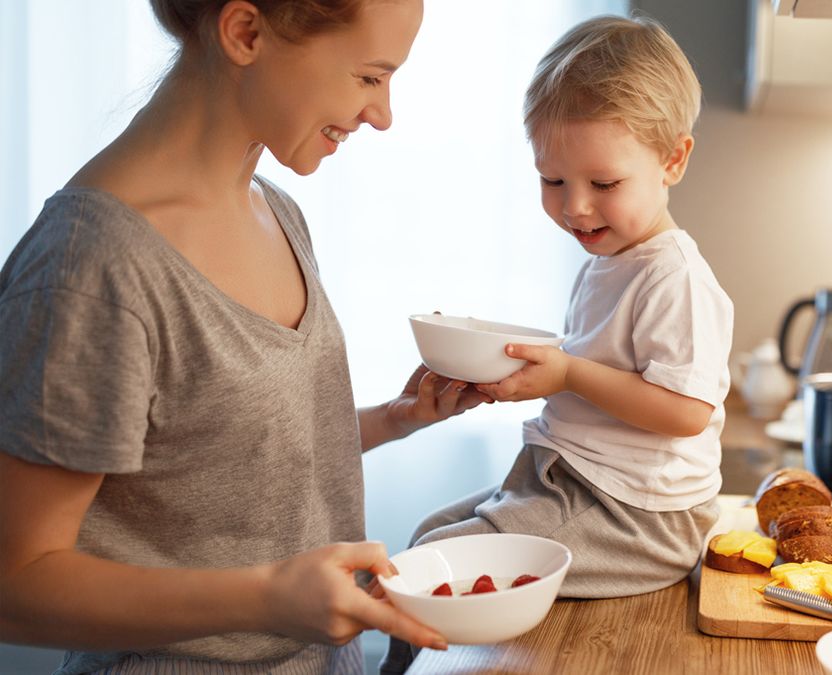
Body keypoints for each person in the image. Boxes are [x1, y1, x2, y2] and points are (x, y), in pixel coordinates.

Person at [0, 1, 491, 673]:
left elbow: (220, 456)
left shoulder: (276, 210)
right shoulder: (92, 266)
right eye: (370, 77)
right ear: (246, 32)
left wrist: (395, 419)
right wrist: (265, 597)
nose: (383, 114)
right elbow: (16, 584)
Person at [384, 16, 732, 666]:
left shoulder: (673, 275)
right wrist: (516, 373)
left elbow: (687, 412)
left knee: (422, 572)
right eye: (553, 180)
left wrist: (567, 375)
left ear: (673, 160)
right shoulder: (610, 261)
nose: (575, 207)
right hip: (580, 487)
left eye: (603, 184)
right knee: (428, 538)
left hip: (636, 517)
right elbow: (593, 385)